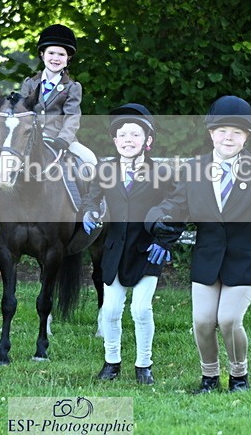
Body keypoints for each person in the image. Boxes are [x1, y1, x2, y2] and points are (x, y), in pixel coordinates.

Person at [145, 96, 251, 393]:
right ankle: (209, 378)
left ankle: (239, 376)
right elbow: (171, 205)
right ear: (211, 133)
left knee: (227, 319)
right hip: (208, 257)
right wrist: (155, 221)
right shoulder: (193, 168)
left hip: (246, 258)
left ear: (247, 137)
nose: (229, 137)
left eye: (237, 132)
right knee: (202, 321)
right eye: (222, 130)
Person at [80, 103, 180, 385]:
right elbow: (92, 197)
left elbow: (175, 207)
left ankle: (143, 365)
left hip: (147, 251)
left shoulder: (161, 173)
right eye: (122, 135)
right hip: (114, 249)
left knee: (140, 309)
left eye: (135, 135)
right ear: (115, 141)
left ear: (147, 141)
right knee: (110, 311)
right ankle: (112, 362)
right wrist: (89, 210)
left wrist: (165, 239)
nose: (128, 140)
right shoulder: (105, 170)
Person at [0, 23, 96, 225]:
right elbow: (22, 111)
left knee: (89, 159)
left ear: (68, 58)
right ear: (42, 54)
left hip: (59, 139)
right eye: (51, 53)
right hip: (29, 137)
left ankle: (86, 208)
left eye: (61, 54)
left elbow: (72, 117)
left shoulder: (73, 87)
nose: (55, 58)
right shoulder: (30, 83)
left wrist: (64, 140)